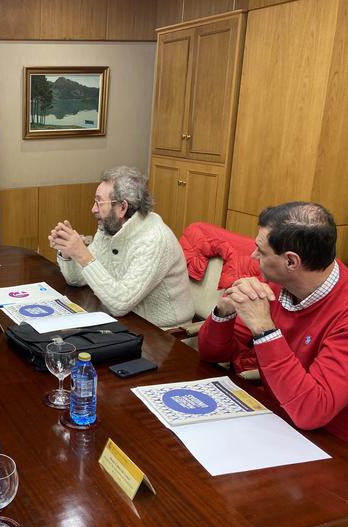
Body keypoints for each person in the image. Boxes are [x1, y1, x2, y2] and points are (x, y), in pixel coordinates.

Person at [198, 202, 348, 441]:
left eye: (261, 251)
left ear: (291, 262)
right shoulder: (275, 283)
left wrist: (265, 330)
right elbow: (211, 353)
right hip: (276, 420)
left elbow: (312, 410)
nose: (253, 255)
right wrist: (224, 312)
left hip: (330, 444)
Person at [48, 165, 194, 328]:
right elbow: (77, 279)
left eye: (99, 202)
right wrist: (68, 253)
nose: (93, 209)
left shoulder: (154, 239)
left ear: (122, 207)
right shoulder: (110, 228)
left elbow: (119, 304)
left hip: (164, 335)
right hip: (126, 323)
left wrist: (82, 254)